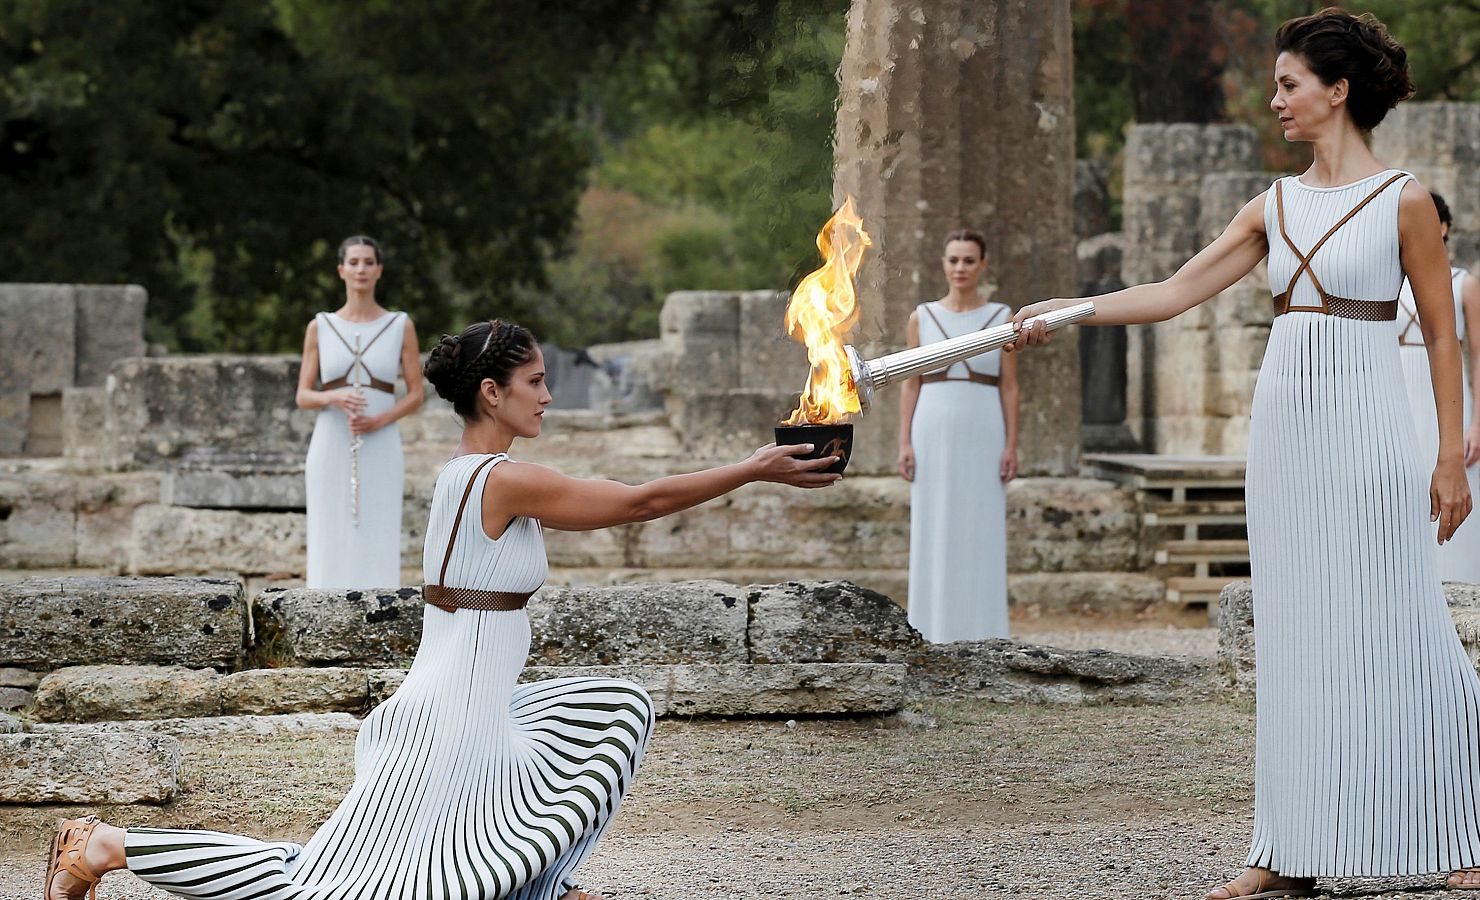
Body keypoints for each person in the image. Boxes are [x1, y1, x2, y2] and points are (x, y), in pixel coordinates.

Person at [44, 319, 840, 900]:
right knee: (323, 886)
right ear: (491, 392)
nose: (548, 395)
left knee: (614, 708)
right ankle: (105, 846)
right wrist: (754, 467)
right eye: (535, 382)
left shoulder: (479, 475)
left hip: (473, 712)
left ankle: (539, 890)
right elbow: (639, 502)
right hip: (447, 722)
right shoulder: (498, 479)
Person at [1009, 9, 1480, 896]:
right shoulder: (1272, 205)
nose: (1276, 100)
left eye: (1289, 84)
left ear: (1338, 90)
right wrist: (1067, 311)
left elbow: (1440, 338)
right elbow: (1173, 292)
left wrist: (1448, 458)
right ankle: (1287, 849)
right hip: (1284, 439)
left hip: (1368, 432)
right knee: (1295, 633)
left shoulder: (1404, 199)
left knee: (1400, 619)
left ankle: (1468, 829)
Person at [897, 229, 1019, 642]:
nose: (960, 268)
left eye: (969, 260)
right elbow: (910, 382)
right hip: (932, 424)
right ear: (943, 264)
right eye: (953, 260)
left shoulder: (1002, 317)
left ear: (982, 265)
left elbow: (1009, 386)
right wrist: (904, 442)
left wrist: (1011, 445)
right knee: (934, 520)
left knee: (980, 521)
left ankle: (985, 631)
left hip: (983, 425)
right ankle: (930, 629)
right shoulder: (923, 316)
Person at [295, 235, 424, 589]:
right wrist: (332, 398)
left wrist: (378, 421)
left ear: (379, 270)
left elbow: (416, 394)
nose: (361, 269)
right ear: (341, 270)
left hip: (381, 442)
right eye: (353, 262)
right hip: (331, 441)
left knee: (379, 526)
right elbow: (304, 394)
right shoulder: (320, 326)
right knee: (329, 529)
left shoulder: (400, 325)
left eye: (368, 262)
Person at [1396, 191, 1480, 583]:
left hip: (1447, 392)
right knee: (1401, 485)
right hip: (1399, 384)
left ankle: (1461, 579)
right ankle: (1401, 582)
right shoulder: (1391, 279)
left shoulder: (1464, 284)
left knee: (1453, 483)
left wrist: (1478, 424)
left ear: (1443, 227)